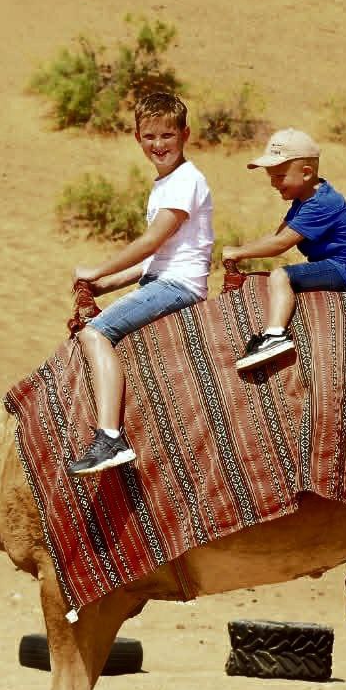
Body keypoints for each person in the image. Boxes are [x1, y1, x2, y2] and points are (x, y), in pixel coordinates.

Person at [67, 92, 213, 476]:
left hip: (178, 285)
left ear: (185, 134)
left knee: (95, 334)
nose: (159, 145)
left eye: (167, 135)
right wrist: (106, 284)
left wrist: (96, 271)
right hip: (163, 278)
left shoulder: (185, 181)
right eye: (150, 137)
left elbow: (151, 242)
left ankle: (109, 437)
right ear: (137, 138)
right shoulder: (165, 184)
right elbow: (154, 257)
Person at [222, 128, 346, 370]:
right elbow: (277, 235)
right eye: (271, 177)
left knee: (281, 276)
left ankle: (274, 336)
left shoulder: (321, 203)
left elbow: (281, 244)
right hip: (336, 263)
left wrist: (238, 253)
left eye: (280, 176)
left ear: (306, 173)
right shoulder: (303, 201)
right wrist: (240, 249)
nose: (273, 183)